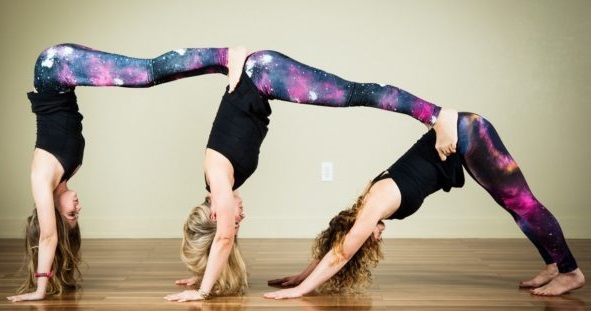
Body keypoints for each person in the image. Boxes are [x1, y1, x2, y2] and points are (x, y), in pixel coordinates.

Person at [164, 49, 459, 302]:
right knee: (354, 94)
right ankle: (233, 58)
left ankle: (436, 115)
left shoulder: (218, 180)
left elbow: (224, 239)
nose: (241, 216)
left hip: (262, 74)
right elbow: (222, 241)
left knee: (355, 93)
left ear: (216, 215)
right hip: (260, 78)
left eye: (235, 219)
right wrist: (206, 274)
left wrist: (202, 292)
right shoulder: (222, 180)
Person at [7, 43, 248, 302]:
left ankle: (226, 56)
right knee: (145, 74)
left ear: (51, 213)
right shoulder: (64, 172)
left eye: (71, 213)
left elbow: (47, 236)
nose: (77, 206)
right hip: (62, 73)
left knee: (145, 74)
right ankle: (225, 65)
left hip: (55, 66)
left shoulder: (41, 178)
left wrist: (41, 287)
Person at [263, 112, 586, 299]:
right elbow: (337, 242)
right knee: (514, 208)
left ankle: (570, 272)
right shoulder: (368, 199)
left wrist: (300, 290)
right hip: (462, 139)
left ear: (357, 229)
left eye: (365, 238)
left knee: (522, 204)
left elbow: (342, 251)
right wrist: (299, 275)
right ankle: (554, 264)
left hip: (465, 135)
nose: (375, 238)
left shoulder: (374, 205)